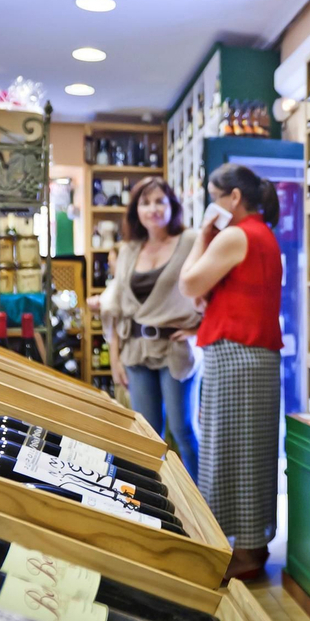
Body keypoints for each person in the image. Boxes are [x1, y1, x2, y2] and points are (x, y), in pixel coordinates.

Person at [179, 162, 285, 581]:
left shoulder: (236, 236)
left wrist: (204, 235)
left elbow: (188, 284)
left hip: (237, 357)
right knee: (250, 454)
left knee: (229, 453)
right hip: (255, 357)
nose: (211, 205)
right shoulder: (263, 236)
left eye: (213, 196)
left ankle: (241, 550)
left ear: (233, 198)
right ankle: (250, 544)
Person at [102, 177, 203, 476]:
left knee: (183, 430)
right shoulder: (129, 250)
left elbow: (215, 287)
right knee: (147, 434)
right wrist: (115, 358)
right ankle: (154, 506)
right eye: (145, 203)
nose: (153, 209)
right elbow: (118, 305)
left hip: (176, 349)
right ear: (136, 210)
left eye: (160, 201)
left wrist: (201, 329)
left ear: (172, 204)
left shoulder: (191, 241)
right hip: (135, 350)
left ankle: (202, 508)